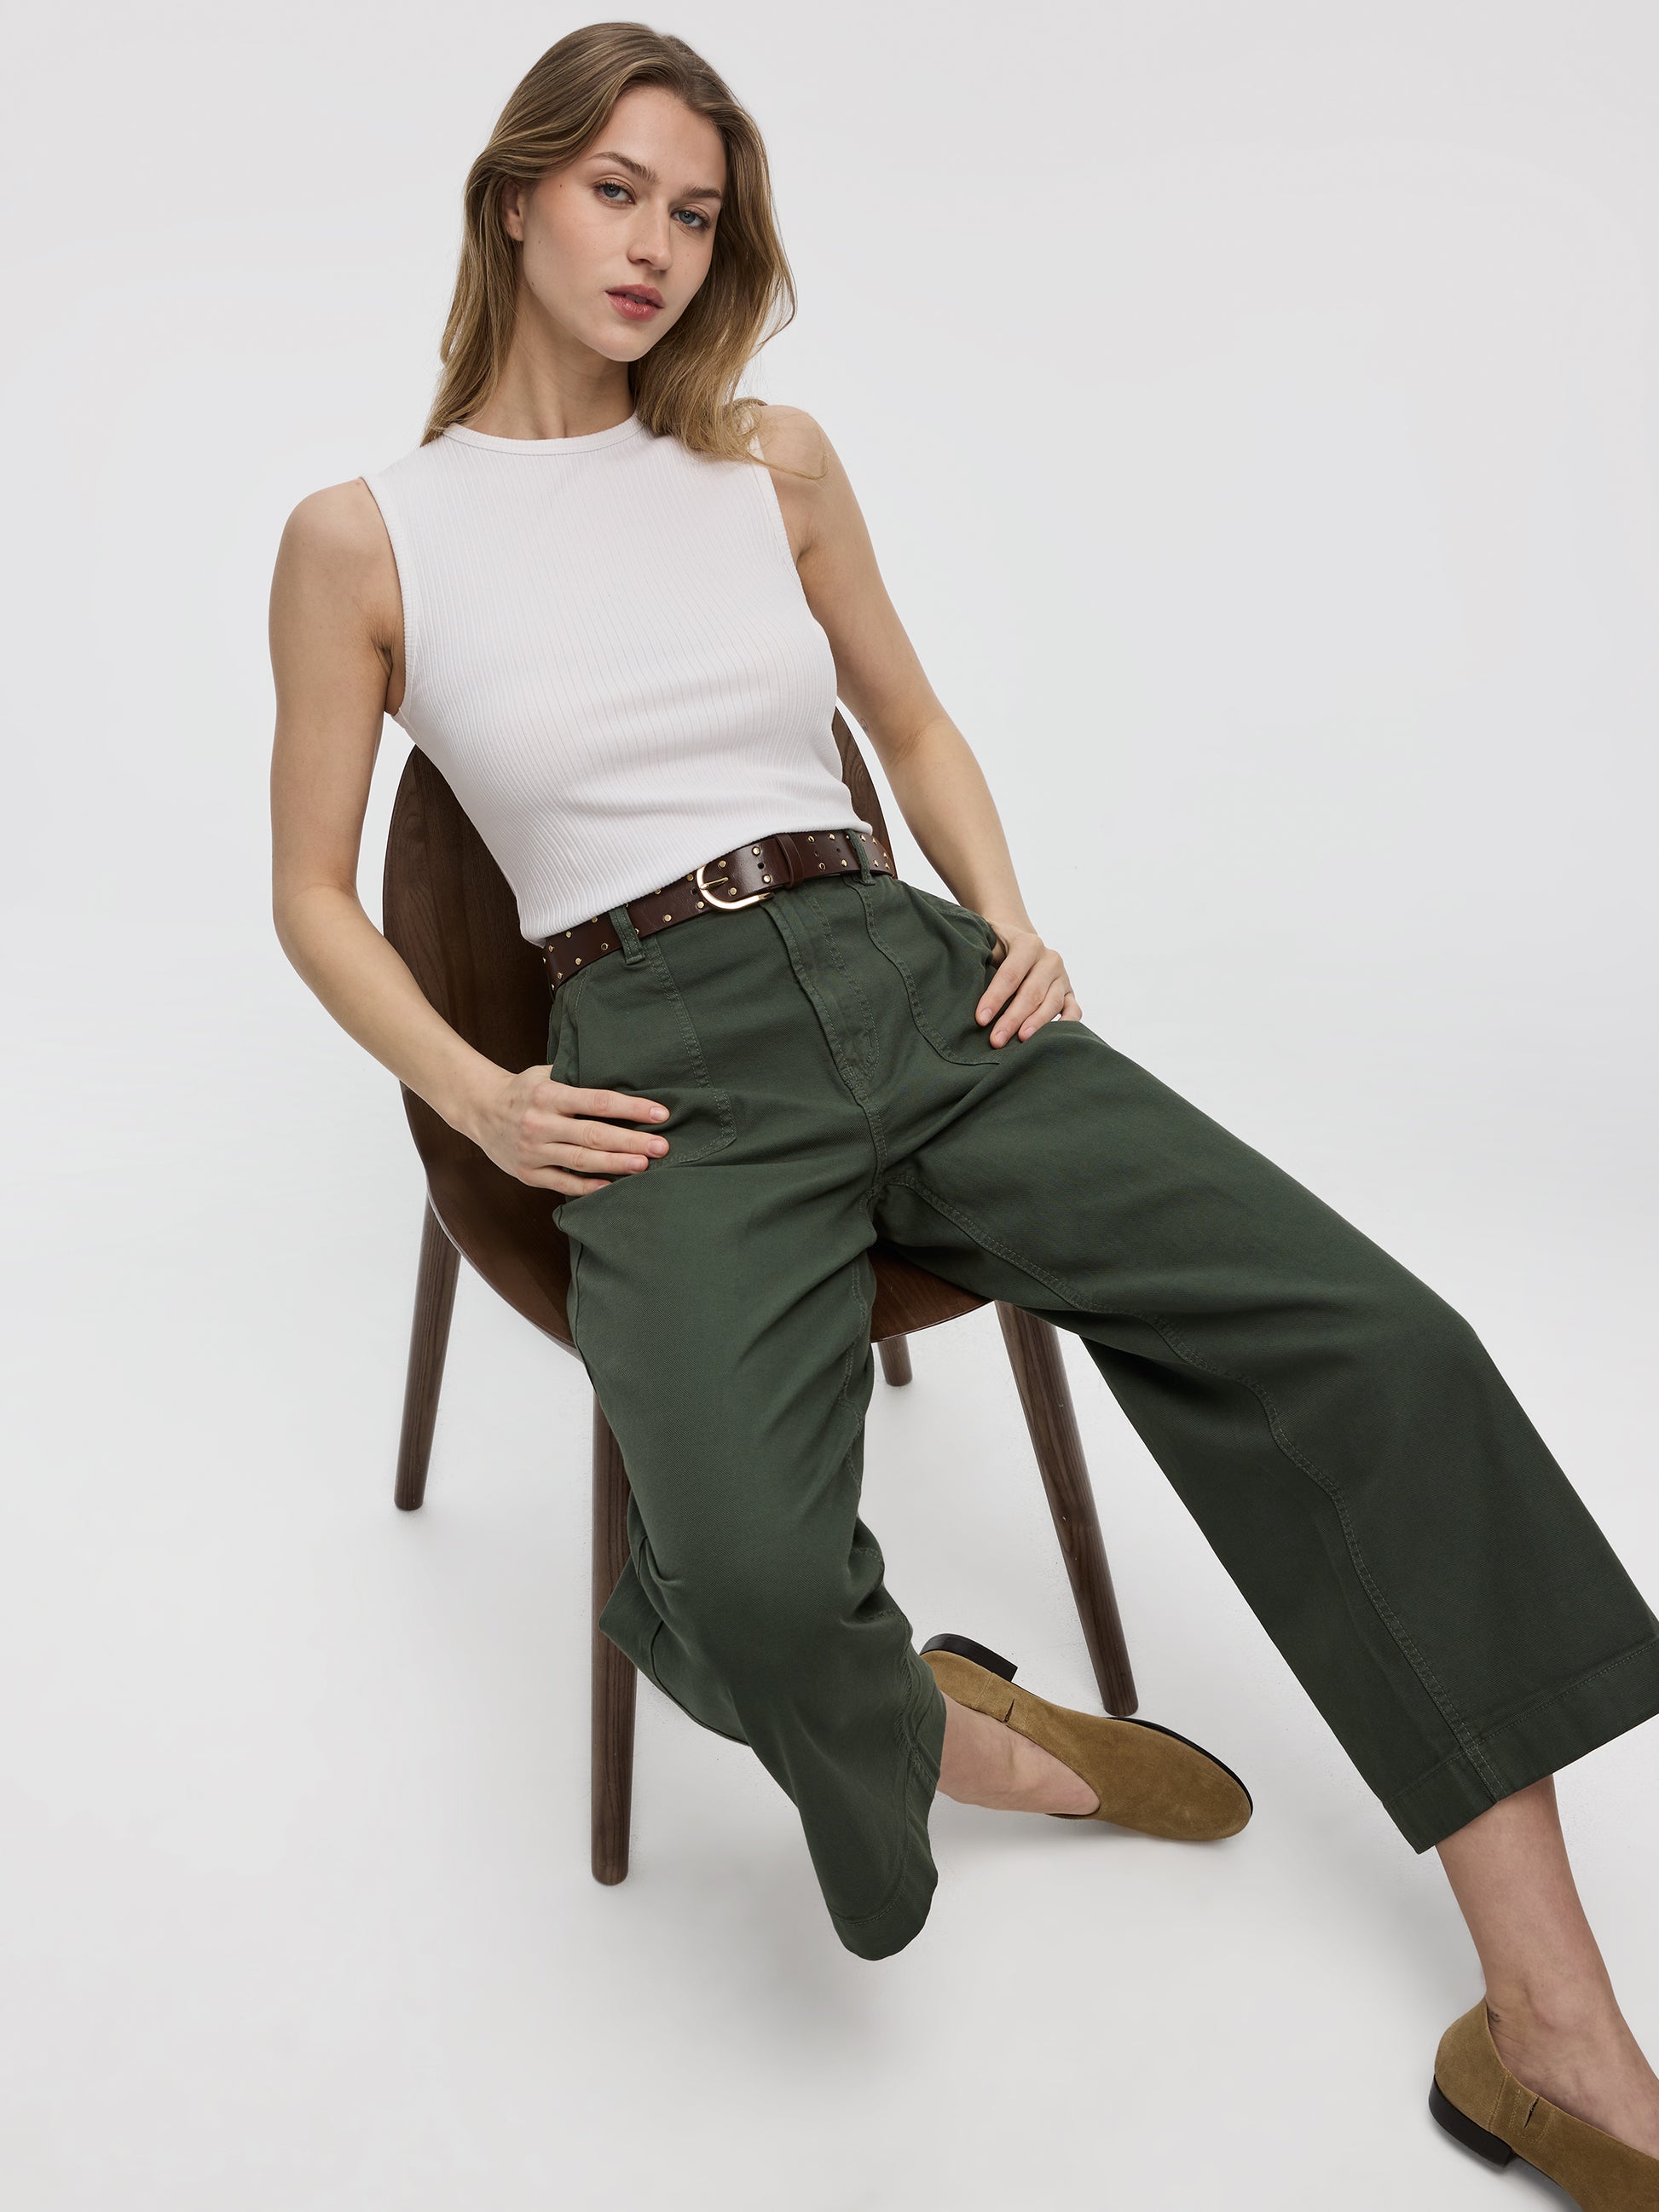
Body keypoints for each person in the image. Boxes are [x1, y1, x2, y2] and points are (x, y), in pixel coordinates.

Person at [267, 24, 1659, 2202]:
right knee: (737, 1576)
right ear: (516, 196)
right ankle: (956, 1732)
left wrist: (1009, 919)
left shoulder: (769, 462)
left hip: (910, 982)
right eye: (617, 191)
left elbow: (907, 723)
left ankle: (1550, 2020)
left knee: (1382, 1344)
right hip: (656, 1056)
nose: (655, 245)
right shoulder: (367, 536)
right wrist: (475, 1093)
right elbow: (309, 893)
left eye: (695, 212)